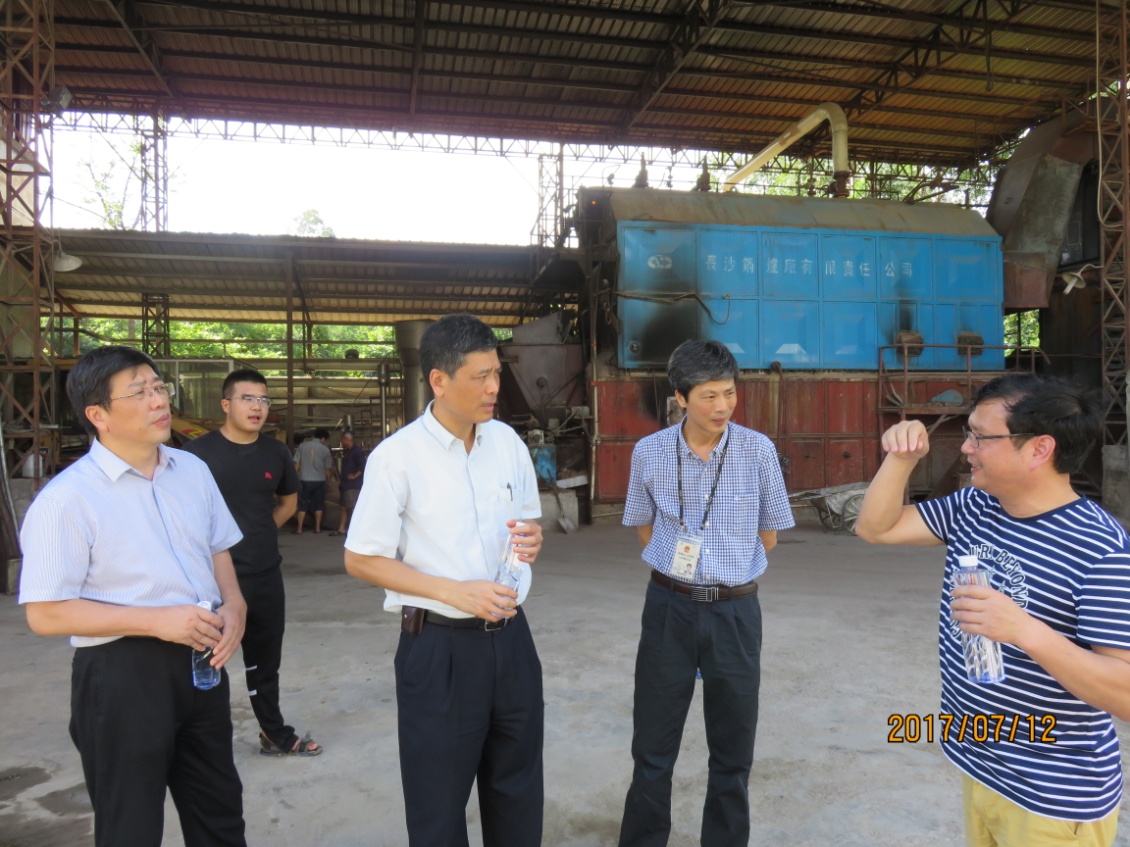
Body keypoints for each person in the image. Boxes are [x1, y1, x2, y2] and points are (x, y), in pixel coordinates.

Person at [855, 373, 1130, 847]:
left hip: (1050, 798)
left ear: (1039, 449)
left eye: (980, 437)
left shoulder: (1101, 549)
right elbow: (876, 528)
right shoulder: (977, 505)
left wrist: (1026, 630)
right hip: (981, 767)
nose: (966, 448)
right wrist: (900, 462)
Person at [18, 345, 248, 847]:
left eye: (158, 386)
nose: (158, 400)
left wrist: (234, 606)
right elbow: (45, 613)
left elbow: (218, 551)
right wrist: (155, 621)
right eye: (138, 392)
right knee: (131, 826)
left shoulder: (192, 471)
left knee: (220, 813)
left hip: (202, 663)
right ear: (97, 415)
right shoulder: (67, 499)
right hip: (122, 675)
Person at [343, 313, 545, 847]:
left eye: (496, 373)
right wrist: (452, 591)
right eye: (480, 376)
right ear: (438, 379)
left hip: (512, 641)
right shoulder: (398, 458)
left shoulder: (507, 444)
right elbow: (361, 558)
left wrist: (531, 541)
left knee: (518, 788)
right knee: (438, 804)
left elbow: (525, 522)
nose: (494, 388)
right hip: (439, 649)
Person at [618, 339, 794, 847]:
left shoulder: (758, 450)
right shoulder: (648, 452)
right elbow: (644, 528)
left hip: (736, 612)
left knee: (733, 751)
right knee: (652, 747)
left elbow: (770, 535)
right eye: (709, 396)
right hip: (669, 607)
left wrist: (724, 566)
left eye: (729, 393)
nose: (722, 406)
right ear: (679, 397)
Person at [183, 368, 321, 757]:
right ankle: (197, 743)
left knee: (264, 661)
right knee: (205, 662)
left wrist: (257, 532)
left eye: (263, 399)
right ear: (226, 404)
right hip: (208, 580)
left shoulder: (275, 452)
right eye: (248, 399)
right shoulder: (196, 454)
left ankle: (272, 732)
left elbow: (288, 503)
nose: (257, 407)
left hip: (263, 573)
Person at [294, 427, 335, 533]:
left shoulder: (302, 446)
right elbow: (328, 469)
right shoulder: (325, 449)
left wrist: (294, 478)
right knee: (318, 504)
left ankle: (299, 528)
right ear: (323, 438)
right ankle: (317, 527)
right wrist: (329, 482)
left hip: (304, 479)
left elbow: (296, 464)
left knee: (302, 504)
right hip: (319, 481)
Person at [331, 430, 363, 537]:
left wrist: (354, 475)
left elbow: (363, 466)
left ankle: (356, 529)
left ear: (347, 439)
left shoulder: (357, 451)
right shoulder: (347, 451)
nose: (341, 441)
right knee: (343, 507)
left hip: (352, 485)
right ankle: (342, 528)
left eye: (342, 439)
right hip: (345, 484)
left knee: (352, 507)